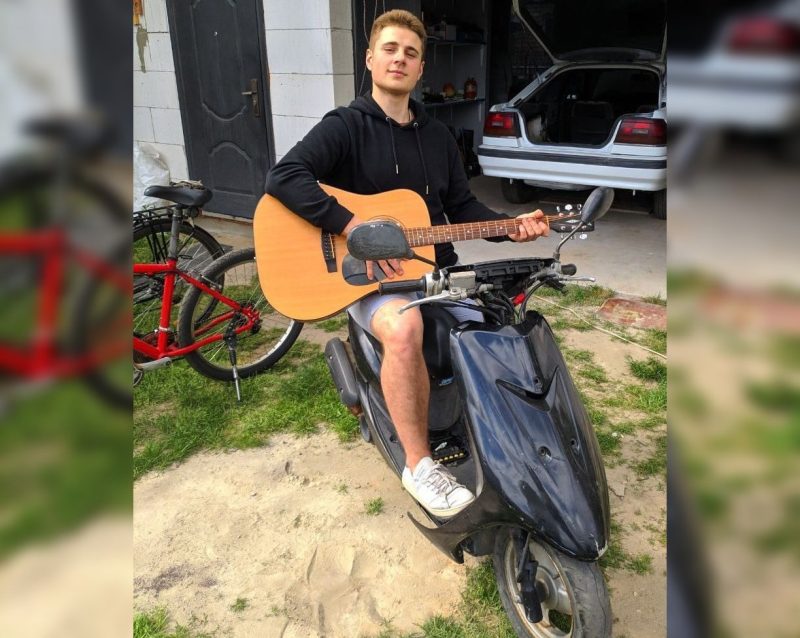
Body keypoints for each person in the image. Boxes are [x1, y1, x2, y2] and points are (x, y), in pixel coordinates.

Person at [266, 9, 549, 518]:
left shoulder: (438, 137)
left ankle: (503, 441)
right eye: (390, 49)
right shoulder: (344, 127)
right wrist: (355, 229)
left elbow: (463, 209)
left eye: (411, 53)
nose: (400, 59)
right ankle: (420, 467)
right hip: (368, 281)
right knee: (404, 328)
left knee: (500, 325)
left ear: (421, 69)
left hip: (434, 272)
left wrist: (509, 225)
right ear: (370, 59)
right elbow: (284, 177)